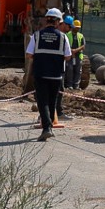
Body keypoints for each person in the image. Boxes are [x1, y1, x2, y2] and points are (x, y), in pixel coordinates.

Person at [25, 8, 70, 140]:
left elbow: (28, 54)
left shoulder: (37, 36)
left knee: (42, 101)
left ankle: (47, 128)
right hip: (56, 75)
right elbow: (67, 57)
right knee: (52, 101)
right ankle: (49, 127)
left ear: (46, 20)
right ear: (57, 22)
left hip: (40, 73)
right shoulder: (63, 37)